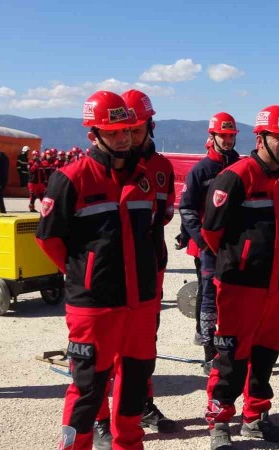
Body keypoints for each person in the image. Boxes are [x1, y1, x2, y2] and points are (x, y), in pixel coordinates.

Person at [35, 90, 159, 450]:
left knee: (134, 384)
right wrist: (83, 274)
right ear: (94, 135)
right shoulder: (70, 178)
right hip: (94, 305)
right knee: (87, 389)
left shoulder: (143, 177)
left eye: (127, 131)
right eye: (113, 132)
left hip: (140, 303)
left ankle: (128, 445)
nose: (123, 139)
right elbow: (48, 239)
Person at [201, 104, 279, 448]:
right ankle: (219, 422)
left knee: (266, 355)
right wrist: (240, 260)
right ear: (260, 138)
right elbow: (211, 231)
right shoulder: (236, 176)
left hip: (275, 287)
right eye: (278, 137)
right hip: (240, 286)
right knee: (231, 357)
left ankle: (255, 417)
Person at [83, 89, 178, 439]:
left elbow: (163, 216)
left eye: (136, 130)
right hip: (109, 275)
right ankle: (99, 418)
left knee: (143, 345)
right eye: (125, 129)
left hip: (149, 269)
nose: (130, 137)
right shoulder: (105, 165)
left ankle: (140, 404)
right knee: (102, 349)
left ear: (150, 126)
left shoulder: (161, 167)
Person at [179, 112, 240, 372]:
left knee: (235, 297)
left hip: (235, 246)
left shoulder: (241, 165)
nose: (227, 140)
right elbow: (186, 208)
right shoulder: (201, 170)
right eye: (222, 135)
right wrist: (201, 240)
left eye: (231, 135)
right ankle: (209, 353)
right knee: (208, 297)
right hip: (208, 248)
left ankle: (233, 348)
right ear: (212, 136)